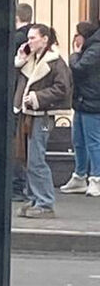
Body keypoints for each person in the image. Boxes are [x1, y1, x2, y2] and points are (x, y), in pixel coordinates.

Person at [14, 24, 72, 218]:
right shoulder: (33, 59)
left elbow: (62, 88)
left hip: (42, 115)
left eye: (33, 38)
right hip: (30, 114)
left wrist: (37, 97)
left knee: (36, 160)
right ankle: (35, 199)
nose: (29, 41)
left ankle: (44, 202)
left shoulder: (55, 62)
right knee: (28, 158)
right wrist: (20, 59)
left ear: (45, 39)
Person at [60, 21, 100, 197]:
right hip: (83, 100)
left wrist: (75, 54)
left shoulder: (94, 49)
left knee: (93, 142)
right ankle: (79, 176)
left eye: (77, 35)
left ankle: (96, 178)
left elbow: (78, 68)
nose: (75, 38)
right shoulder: (91, 48)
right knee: (78, 141)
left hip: (92, 101)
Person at [12, 3, 34, 201]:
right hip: (29, 98)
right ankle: (25, 185)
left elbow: (13, 67)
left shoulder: (18, 39)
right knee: (26, 145)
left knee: (16, 144)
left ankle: (17, 186)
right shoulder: (34, 38)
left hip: (18, 97)